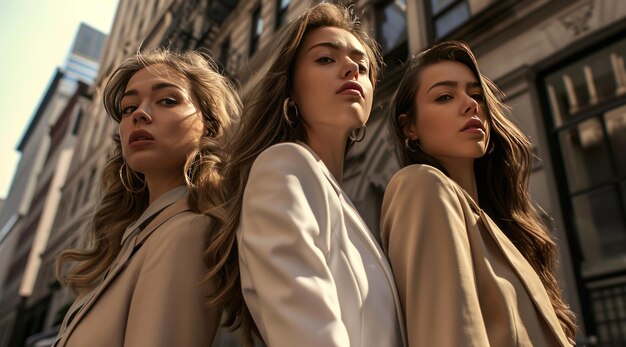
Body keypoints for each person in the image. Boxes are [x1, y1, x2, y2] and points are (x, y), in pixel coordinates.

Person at [205, 3, 406, 347]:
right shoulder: (283, 167)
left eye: (362, 65)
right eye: (326, 59)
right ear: (290, 91)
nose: (350, 69)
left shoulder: (339, 199)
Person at [381, 40, 577, 346]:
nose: (471, 104)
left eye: (475, 95)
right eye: (445, 96)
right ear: (410, 128)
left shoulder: (501, 226)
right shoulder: (422, 186)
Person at [53, 48, 240, 347]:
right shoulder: (132, 239)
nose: (139, 114)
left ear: (208, 125)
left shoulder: (186, 232)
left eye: (168, 100)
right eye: (128, 108)